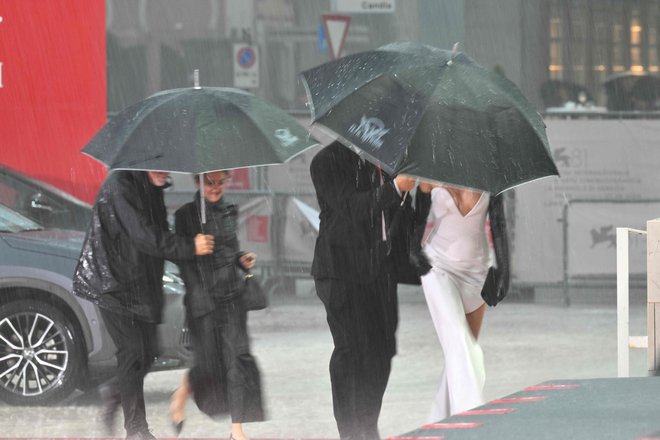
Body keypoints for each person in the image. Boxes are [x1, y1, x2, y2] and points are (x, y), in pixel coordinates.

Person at [73, 170, 215, 440]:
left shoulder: (152, 187)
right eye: (159, 166)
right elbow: (144, 235)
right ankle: (136, 429)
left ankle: (115, 391)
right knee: (132, 351)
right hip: (112, 282)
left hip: (141, 284)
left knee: (149, 351)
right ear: (142, 162)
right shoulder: (120, 185)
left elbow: (155, 234)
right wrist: (188, 246)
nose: (165, 172)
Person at [310, 141, 418, 440]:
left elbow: (395, 214)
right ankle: (351, 433)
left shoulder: (386, 160)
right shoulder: (326, 160)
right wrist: (395, 188)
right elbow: (352, 207)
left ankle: (368, 427)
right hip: (341, 271)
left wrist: (408, 192)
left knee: (381, 352)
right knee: (352, 351)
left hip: (380, 270)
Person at [169, 170, 265, 440]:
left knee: (237, 359)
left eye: (221, 182)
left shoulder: (228, 210)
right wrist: (193, 246)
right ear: (197, 181)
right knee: (210, 365)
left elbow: (230, 250)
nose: (216, 188)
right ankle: (182, 392)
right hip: (202, 300)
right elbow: (182, 259)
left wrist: (241, 259)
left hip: (232, 297)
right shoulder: (185, 216)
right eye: (210, 182)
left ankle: (237, 430)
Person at [414, 182, 509, 422]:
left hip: (477, 271)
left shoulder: (488, 172)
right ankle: (472, 419)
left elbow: (498, 224)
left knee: (464, 351)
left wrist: (504, 270)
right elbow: (416, 217)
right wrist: (412, 249)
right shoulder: (430, 171)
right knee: (459, 339)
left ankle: (439, 422)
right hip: (438, 267)